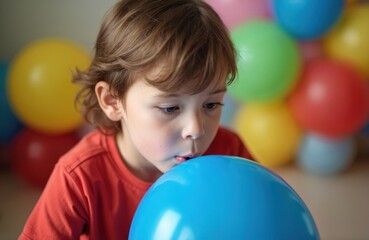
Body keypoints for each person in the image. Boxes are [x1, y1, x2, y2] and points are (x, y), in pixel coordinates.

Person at [19, 0, 253, 239]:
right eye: (170, 108)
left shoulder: (230, 155)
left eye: (211, 104)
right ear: (112, 101)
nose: (196, 129)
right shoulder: (79, 177)